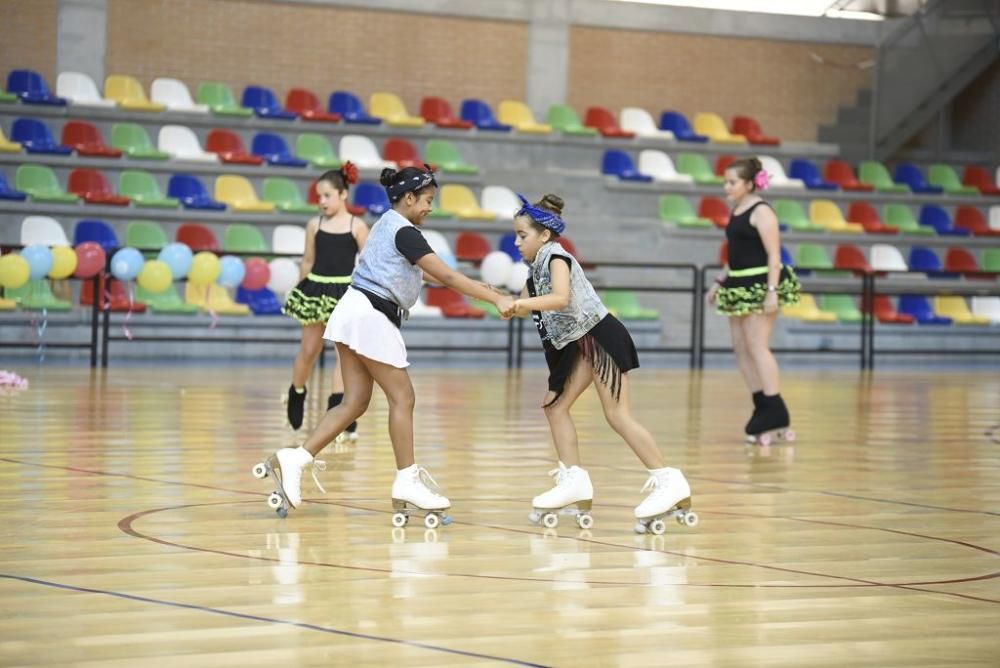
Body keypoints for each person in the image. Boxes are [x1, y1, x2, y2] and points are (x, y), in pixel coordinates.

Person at [261, 165, 514, 521]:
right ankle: (407, 479)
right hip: (369, 315)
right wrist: (495, 300)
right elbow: (445, 274)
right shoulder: (406, 232)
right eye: (426, 201)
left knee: (354, 402)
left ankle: (296, 459)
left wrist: (485, 290)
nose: (430, 207)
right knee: (403, 397)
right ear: (408, 198)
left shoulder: (385, 225)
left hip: (353, 309)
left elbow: (425, 273)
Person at [501, 193, 697, 533]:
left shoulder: (556, 258)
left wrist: (519, 305)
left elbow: (560, 299)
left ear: (544, 235)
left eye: (522, 235)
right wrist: (492, 295)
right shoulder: (535, 272)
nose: (516, 242)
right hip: (580, 345)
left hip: (600, 338)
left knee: (617, 415)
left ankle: (669, 481)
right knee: (554, 406)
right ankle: (573, 480)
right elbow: (520, 304)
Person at [706, 157, 800, 444]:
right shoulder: (737, 211)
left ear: (749, 183)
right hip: (738, 282)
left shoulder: (762, 212)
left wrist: (772, 291)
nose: (727, 187)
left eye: (732, 182)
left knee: (758, 346)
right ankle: (765, 408)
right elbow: (736, 255)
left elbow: (774, 255)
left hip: (761, 283)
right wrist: (719, 282)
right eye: (725, 182)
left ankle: (773, 407)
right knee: (740, 348)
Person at [281, 163, 368, 438]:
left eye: (327, 195)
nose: (321, 201)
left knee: (344, 354)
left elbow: (366, 264)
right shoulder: (314, 225)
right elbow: (307, 261)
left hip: (345, 292)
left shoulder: (358, 226)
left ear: (343, 194)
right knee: (309, 350)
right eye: (319, 196)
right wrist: (300, 290)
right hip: (317, 289)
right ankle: (297, 392)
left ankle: (339, 407)